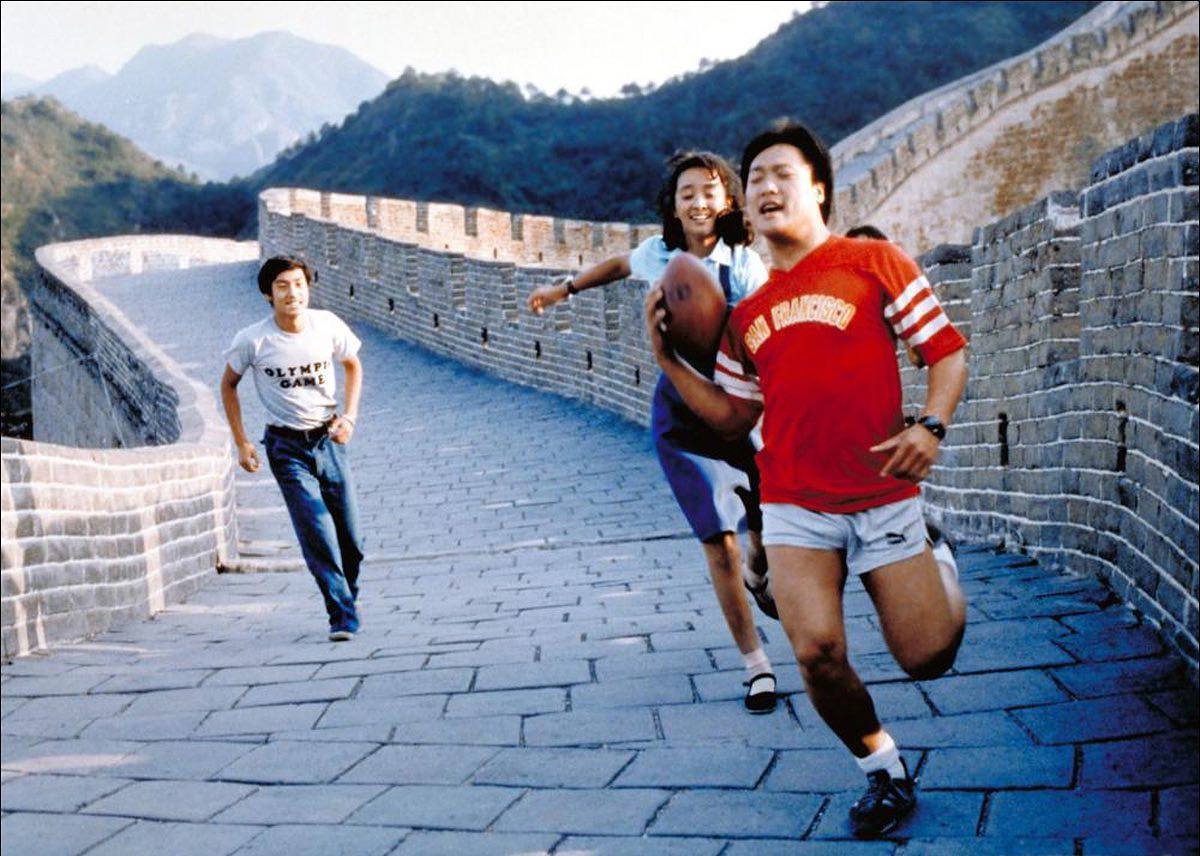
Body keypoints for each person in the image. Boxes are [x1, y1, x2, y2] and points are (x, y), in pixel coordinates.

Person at [645, 123, 969, 838]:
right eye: (755, 178)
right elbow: (732, 417)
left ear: (818, 188)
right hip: (795, 504)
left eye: (781, 174)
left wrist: (931, 426)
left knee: (927, 657)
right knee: (817, 654)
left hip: (882, 492)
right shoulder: (748, 315)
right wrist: (667, 360)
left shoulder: (873, 261)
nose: (765, 187)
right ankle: (883, 768)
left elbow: (945, 351)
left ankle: (938, 557)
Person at [527, 151, 780, 713]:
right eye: (687, 193)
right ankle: (756, 665)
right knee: (718, 542)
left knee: (761, 538)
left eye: (709, 191)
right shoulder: (659, 256)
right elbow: (619, 265)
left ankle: (760, 570)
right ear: (673, 205)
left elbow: (762, 337)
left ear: (728, 201)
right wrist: (565, 288)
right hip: (682, 420)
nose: (698, 202)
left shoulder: (744, 265)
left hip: (740, 412)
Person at [220, 257, 365, 642]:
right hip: (285, 447)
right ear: (268, 294)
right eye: (282, 286)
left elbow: (352, 365)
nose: (292, 293)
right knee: (316, 530)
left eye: (299, 284)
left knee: (352, 540)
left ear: (308, 288)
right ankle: (341, 613)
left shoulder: (327, 325)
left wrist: (349, 417)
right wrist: (242, 442)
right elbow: (228, 385)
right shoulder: (253, 340)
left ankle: (347, 593)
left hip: (329, 439)